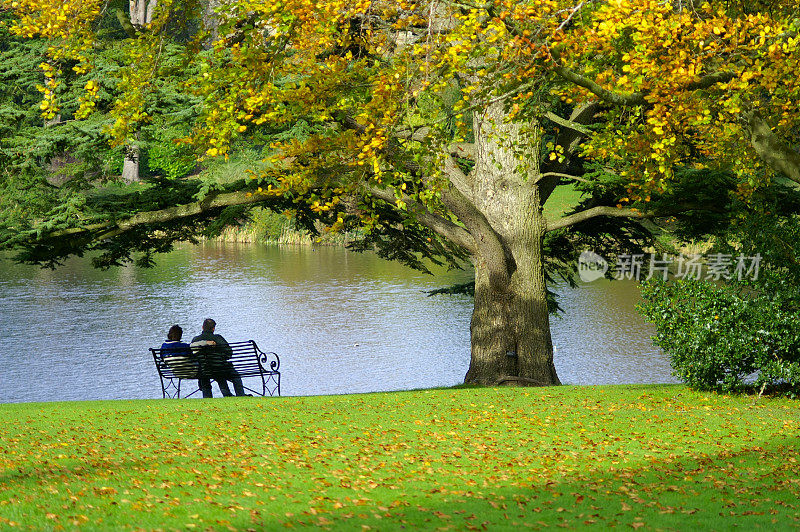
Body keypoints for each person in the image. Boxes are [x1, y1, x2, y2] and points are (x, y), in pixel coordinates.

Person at [190, 318, 248, 397]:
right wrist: (221, 358)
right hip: (220, 369)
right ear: (213, 328)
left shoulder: (196, 339)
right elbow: (229, 353)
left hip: (204, 370)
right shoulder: (218, 338)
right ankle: (240, 395)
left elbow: (194, 356)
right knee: (234, 375)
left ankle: (208, 397)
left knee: (205, 374)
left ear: (202, 327)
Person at [161, 325, 212, 397]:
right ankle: (207, 395)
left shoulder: (163, 347)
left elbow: (162, 360)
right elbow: (192, 353)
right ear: (180, 335)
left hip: (176, 372)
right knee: (204, 372)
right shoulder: (183, 346)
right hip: (189, 372)